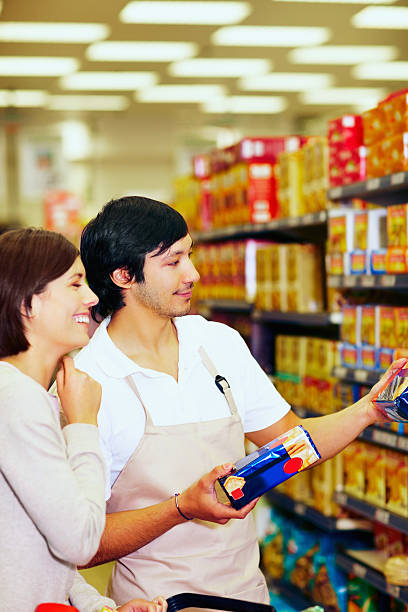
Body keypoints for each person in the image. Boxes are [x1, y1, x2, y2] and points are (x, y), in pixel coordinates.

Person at [76, 196, 403, 607]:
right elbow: (83, 544)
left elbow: (290, 444)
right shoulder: (88, 381)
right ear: (124, 275)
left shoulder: (216, 344)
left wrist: (370, 409)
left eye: (189, 255)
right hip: (156, 603)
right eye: (173, 261)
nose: (192, 273)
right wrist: (181, 508)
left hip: (246, 596)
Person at [0, 228, 167, 612]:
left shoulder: (27, 393)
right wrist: (83, 424)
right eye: (75, 283)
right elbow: (80, 540)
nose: (92, 297)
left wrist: (98, 607)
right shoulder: (18, 400)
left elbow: (39, 544)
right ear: (28, 303)